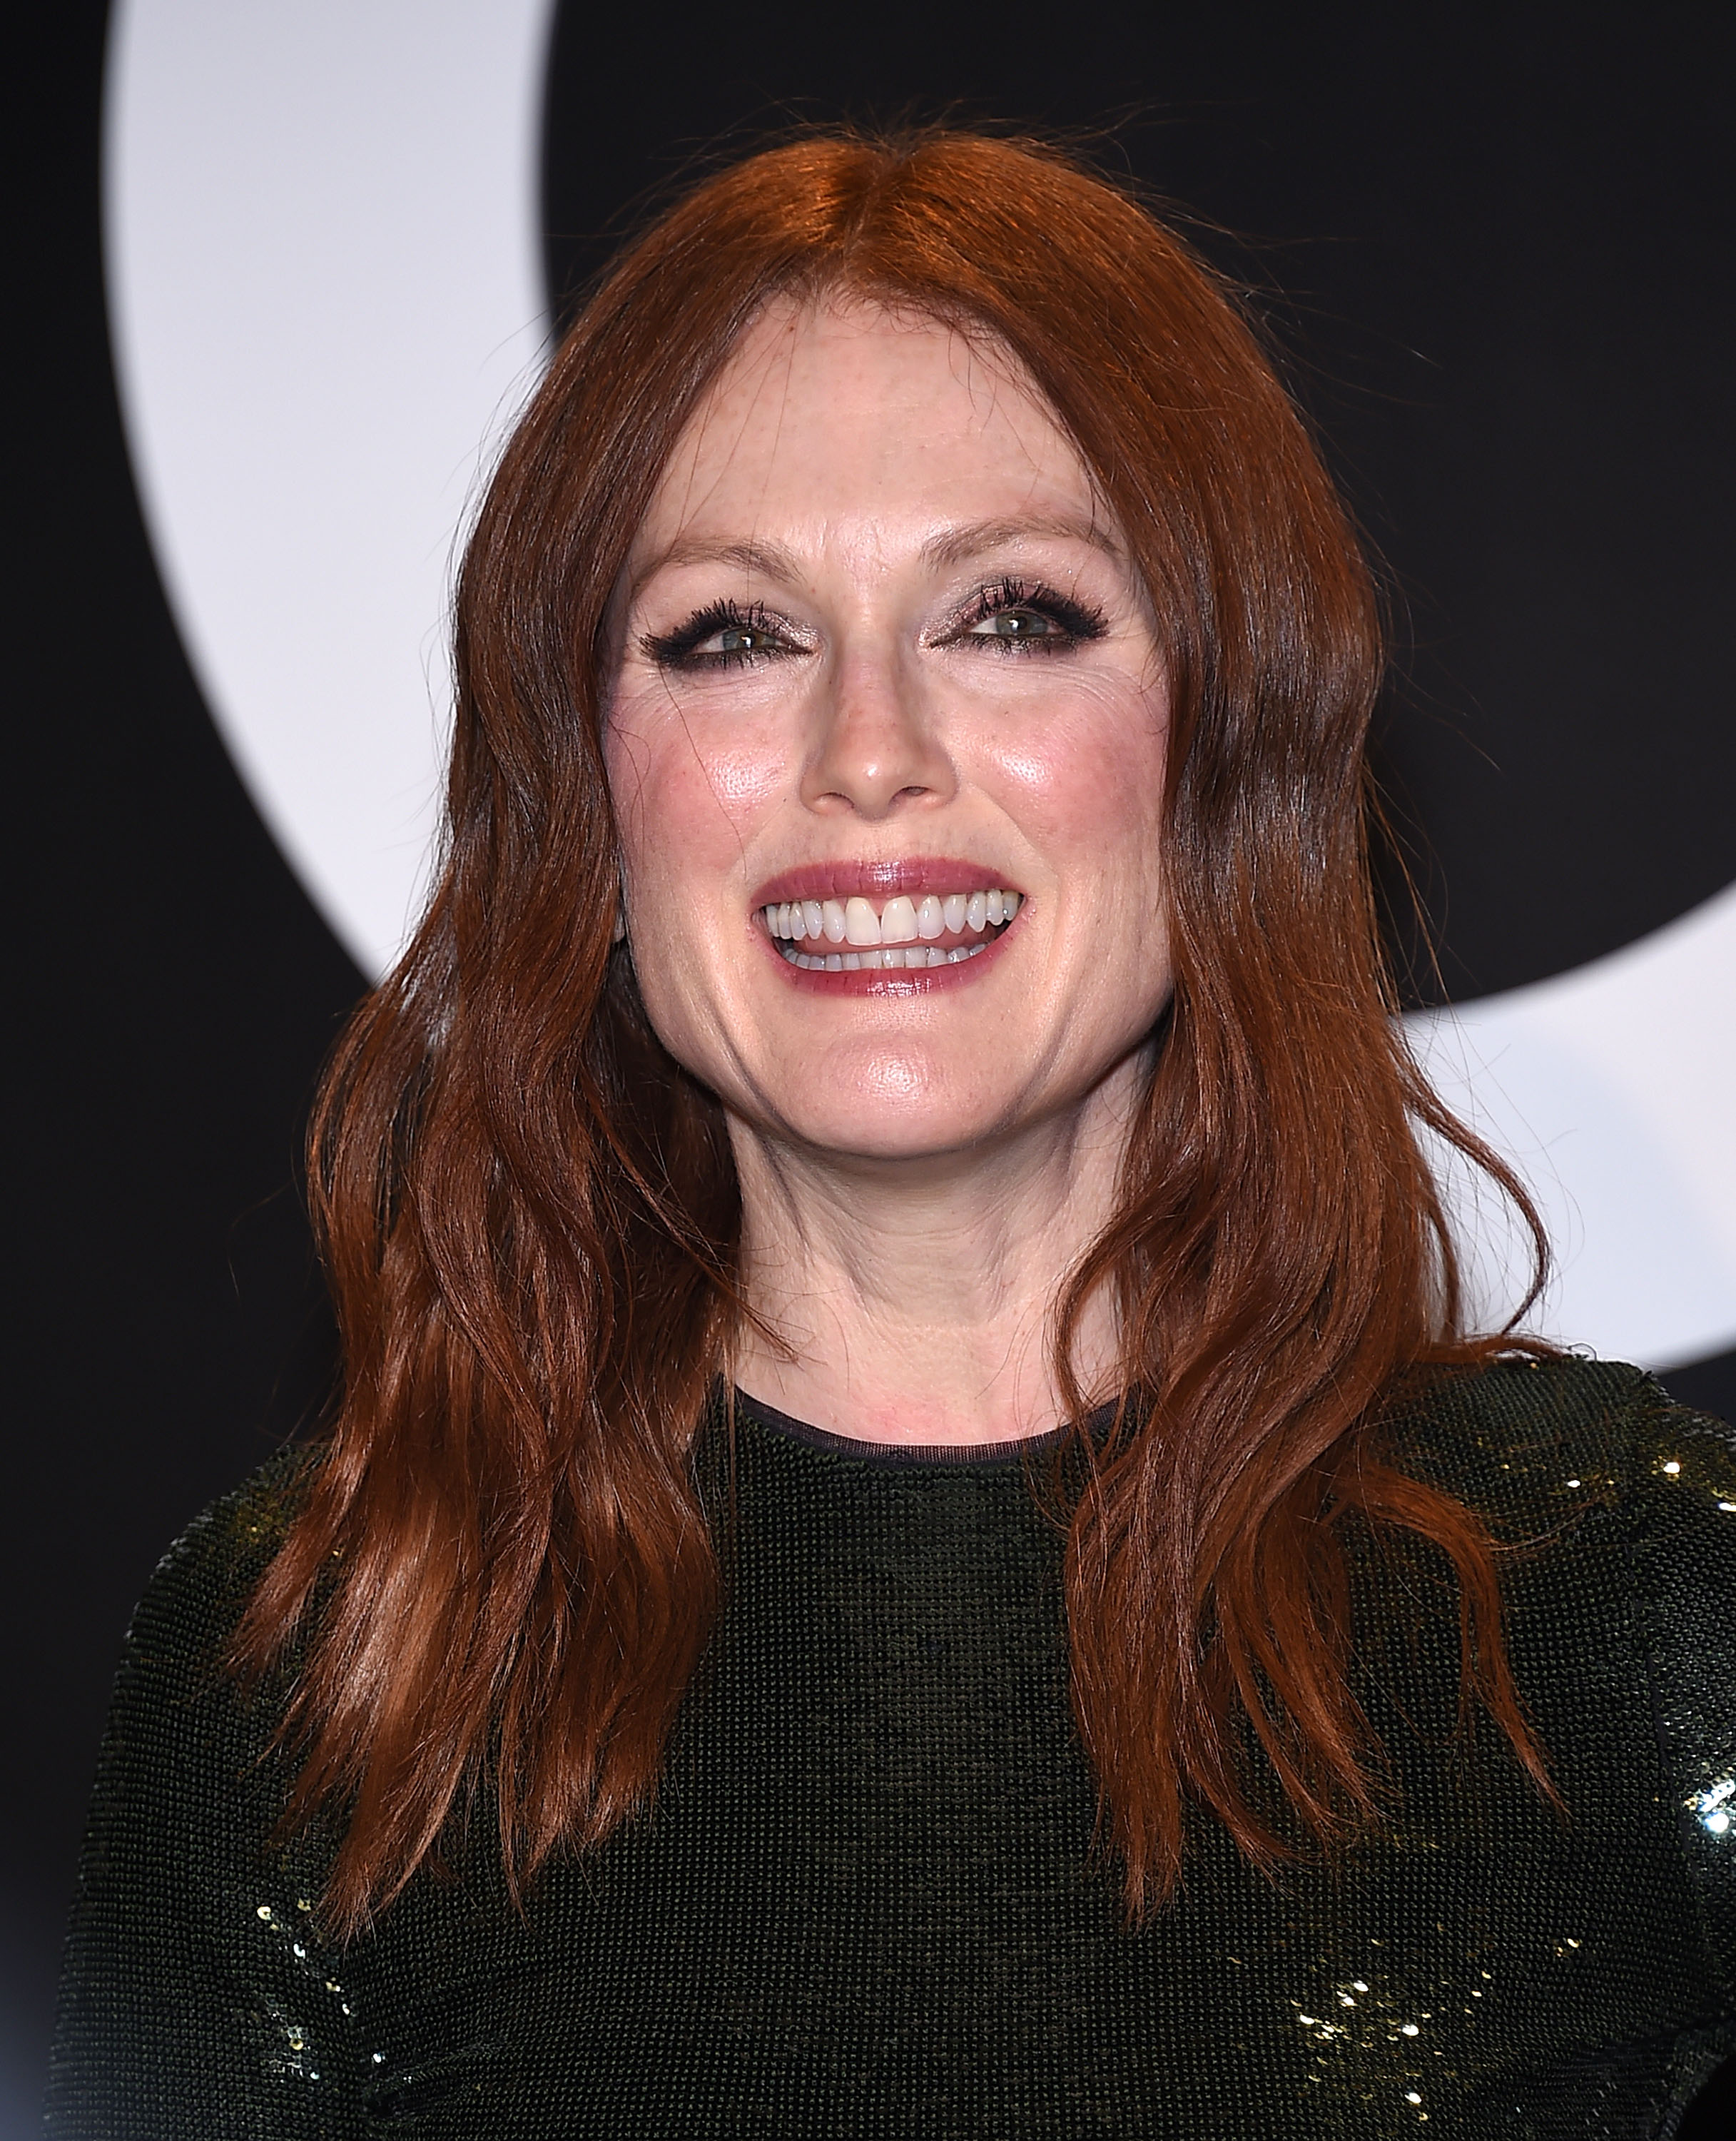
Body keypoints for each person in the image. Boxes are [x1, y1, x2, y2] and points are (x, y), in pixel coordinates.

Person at [46, 128, 1735, 2139]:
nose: (868, 753)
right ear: (581, 797)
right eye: (729, 635)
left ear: (1228, 745)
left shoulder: (1620, 1606)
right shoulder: (322, 1676)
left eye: (1012, 617)